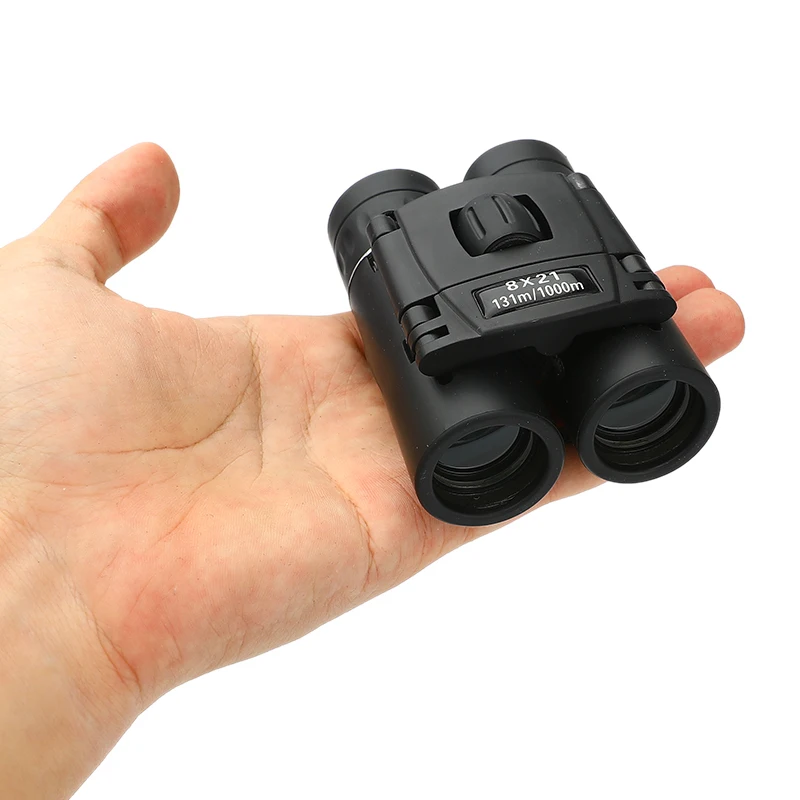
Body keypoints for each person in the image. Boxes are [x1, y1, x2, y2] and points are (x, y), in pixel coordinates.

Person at [0, 144, 745, 799]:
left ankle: (439, 217)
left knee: (398, 223)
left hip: (486, 310)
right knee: (601, 315)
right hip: (578, 285)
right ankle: (525, 187)